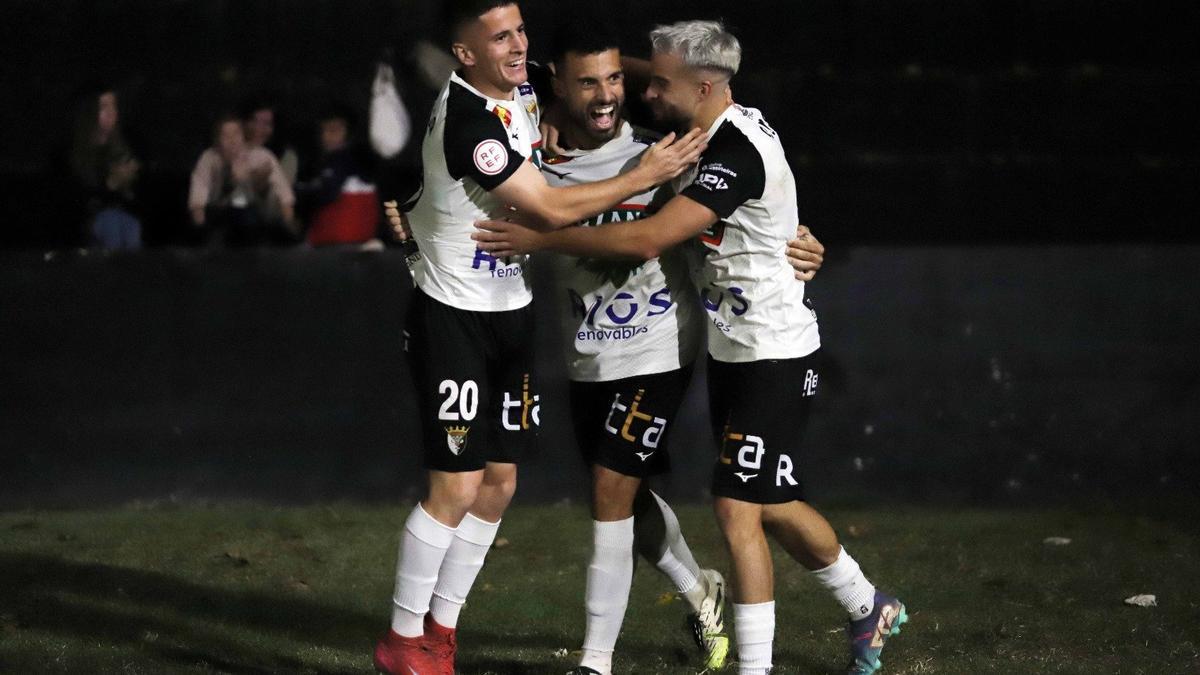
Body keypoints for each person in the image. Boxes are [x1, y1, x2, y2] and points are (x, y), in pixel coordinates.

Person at [474, 20, 907, 675]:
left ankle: (730, 665)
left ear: (701, 86)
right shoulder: (710, 124)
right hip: (730, 349)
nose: (643, 93)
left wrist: (542, 239)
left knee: (733, 506)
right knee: (771, 501)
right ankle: (865, 601)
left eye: (655, 82)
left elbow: (649, 238)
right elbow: (653, 85)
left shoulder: (726, 152)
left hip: (772, 349)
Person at [371, 2, 706, 674]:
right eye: (499, 37)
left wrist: (636, 82)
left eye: (520, 31)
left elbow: (568, 87)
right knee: (456, 487)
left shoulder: (521, 94)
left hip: (510, 315)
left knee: (498, 482)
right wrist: (640, 175)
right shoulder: (470, 121)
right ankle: (403, 643)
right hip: (455, 317)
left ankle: (442, 630)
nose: (518, 45)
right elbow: (547, 208)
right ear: (464, 54)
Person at [188, 114, 298, 247]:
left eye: (236, 134)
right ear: (217, 141)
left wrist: (288, 214)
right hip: (215, 210)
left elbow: (280, 183)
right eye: (226, 136)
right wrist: (199, 218)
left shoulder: (257, 155)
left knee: (244, 212)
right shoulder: (209, 158)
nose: (232, 140)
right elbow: (200, 184)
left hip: (245, 210)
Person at [67, 87, 142, 250]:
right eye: (103, 107)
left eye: (113, 106)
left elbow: (129, 198)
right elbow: (79, 198)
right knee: (111, 222)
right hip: (87, 220)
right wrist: (110, 184)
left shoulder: (119, 146)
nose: (111, 112)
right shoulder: (78, 149)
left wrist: (128, 182)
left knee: (131, 225)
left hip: (116, 214)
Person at [295, 106, 381, 247]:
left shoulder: (343, 159)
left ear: (348, 133)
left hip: (340, 244)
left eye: (334, 130)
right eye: (323, 130)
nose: (326, 136)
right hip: (356, 241)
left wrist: (298, 192)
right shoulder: (329, 160)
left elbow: (327, 193)